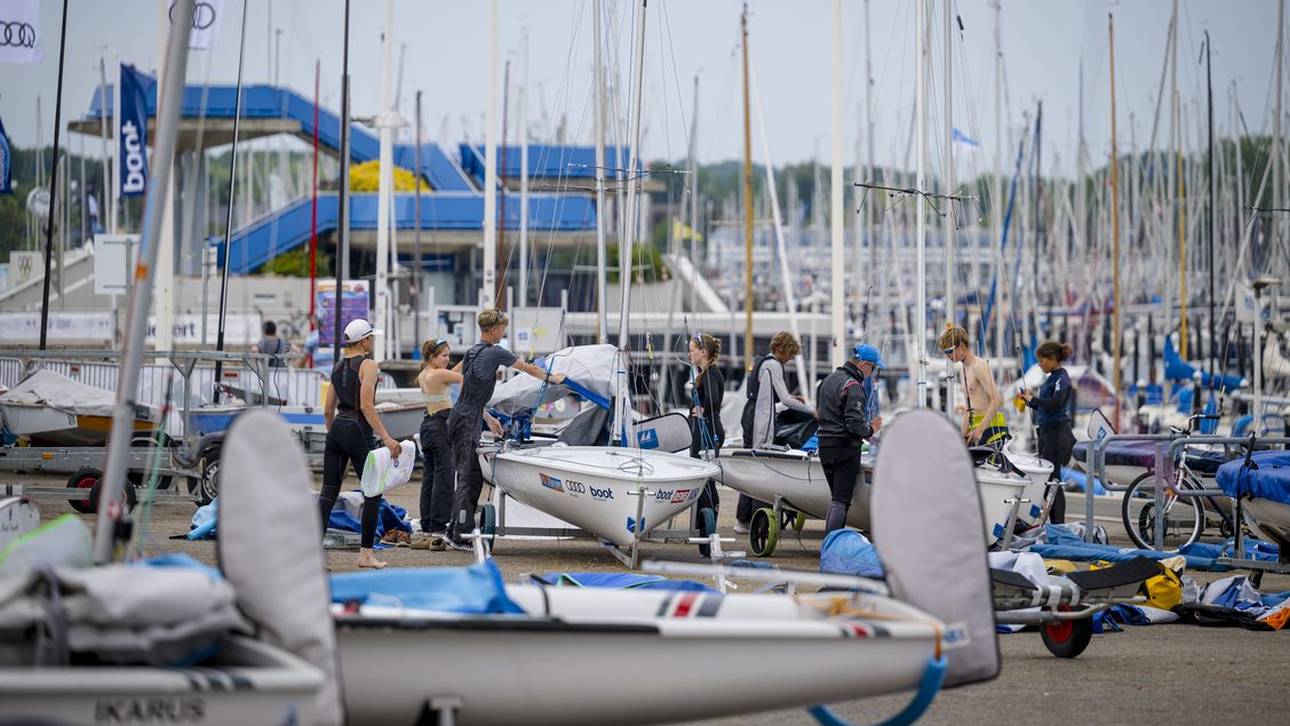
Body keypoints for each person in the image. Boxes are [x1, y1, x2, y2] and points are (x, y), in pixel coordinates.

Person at [447, 308, 565, 548]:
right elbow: (528, 368)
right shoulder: (495, 352)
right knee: (468, 477)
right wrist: (554, 378)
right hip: (467, 420)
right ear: (493, 330)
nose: (503, 332)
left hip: (462, 415)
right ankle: (460, 534)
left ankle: (455, 529)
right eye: (502, 328)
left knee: (472, 476)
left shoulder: (471, 351)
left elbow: (466, 392)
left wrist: (489, 419)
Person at [320, 319, 401, 569]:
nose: (373, 341)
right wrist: (386, 437)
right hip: (357, 428)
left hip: (337, 429)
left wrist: (336, 438)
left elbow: (328, 410)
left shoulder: (337, 366)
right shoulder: (369, 365)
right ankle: (365, 555)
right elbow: (366, 405)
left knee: (327, 494)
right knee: (373, 492)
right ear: (364, 340)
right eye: (371, 337)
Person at [736, 331, 816, 532]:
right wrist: (811, 411)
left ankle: (743, 520)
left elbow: (771, 399)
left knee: (750, 466)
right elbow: (784, 398)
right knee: (759, 466)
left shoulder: (761, 361)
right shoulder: (773, 365)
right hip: (759, 419)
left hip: (751, 413)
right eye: (790, 354)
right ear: (781, 349)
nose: (790, 359)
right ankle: (758, 522)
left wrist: (791, 400)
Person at [815, 343, 884, 533]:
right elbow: (855, 425)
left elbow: (819, 413)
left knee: (836, 499)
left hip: (825, 445)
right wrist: (871, 429)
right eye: (873, 368)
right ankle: (832, 543)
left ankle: (830, 540)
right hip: (844, 448)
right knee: (841, 501)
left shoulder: (828, 380)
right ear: (864, 365)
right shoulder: (854, 386)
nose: (872, 373)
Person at [411, 338, 460, 550]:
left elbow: (451, 375)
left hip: (428, 426)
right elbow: (463, 378)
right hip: (440, 425)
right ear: (433, 357)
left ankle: (428, 525)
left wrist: (465, 360)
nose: (447, 359)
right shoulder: (438, 374)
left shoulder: (426, 373)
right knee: (445, 476)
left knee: (430, 477)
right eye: (444, 356)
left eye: (449, 356)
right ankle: (440, 525)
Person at [1022, 340, 1076, 524]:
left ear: (1053, 359)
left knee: (1053, 481)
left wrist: (1034, 400)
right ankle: (1055, 523)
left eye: (1042, 360)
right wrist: (1028, 401)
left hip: (1056, 434)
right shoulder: (1051, 378)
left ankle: (1058, 524)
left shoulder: (1062, 378)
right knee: (1049, 482)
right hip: (1046, 433)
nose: (1039, 364)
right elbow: (1044, 406)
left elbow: (1056, 402)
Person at [939, 324, 1008, 449]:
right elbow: (968, 410)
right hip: (976, 428)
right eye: (945, 352)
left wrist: (980, 429)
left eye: (949, 351)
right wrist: (961, 437)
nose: (947, 356)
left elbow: (997, 399)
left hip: (992, 428)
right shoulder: (963, 371)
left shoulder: (979, 366)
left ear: (961, 346)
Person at [687, 333, 724, 515]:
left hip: (708, 430)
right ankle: (702, 521)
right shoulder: (707, 373)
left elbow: (713, 399)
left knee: (705, 478)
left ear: (703, 352)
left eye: (692, 350)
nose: (689, 354)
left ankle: (707, 521)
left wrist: (703, 411)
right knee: (703, 478)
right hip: (706, 429)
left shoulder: (710, 374)